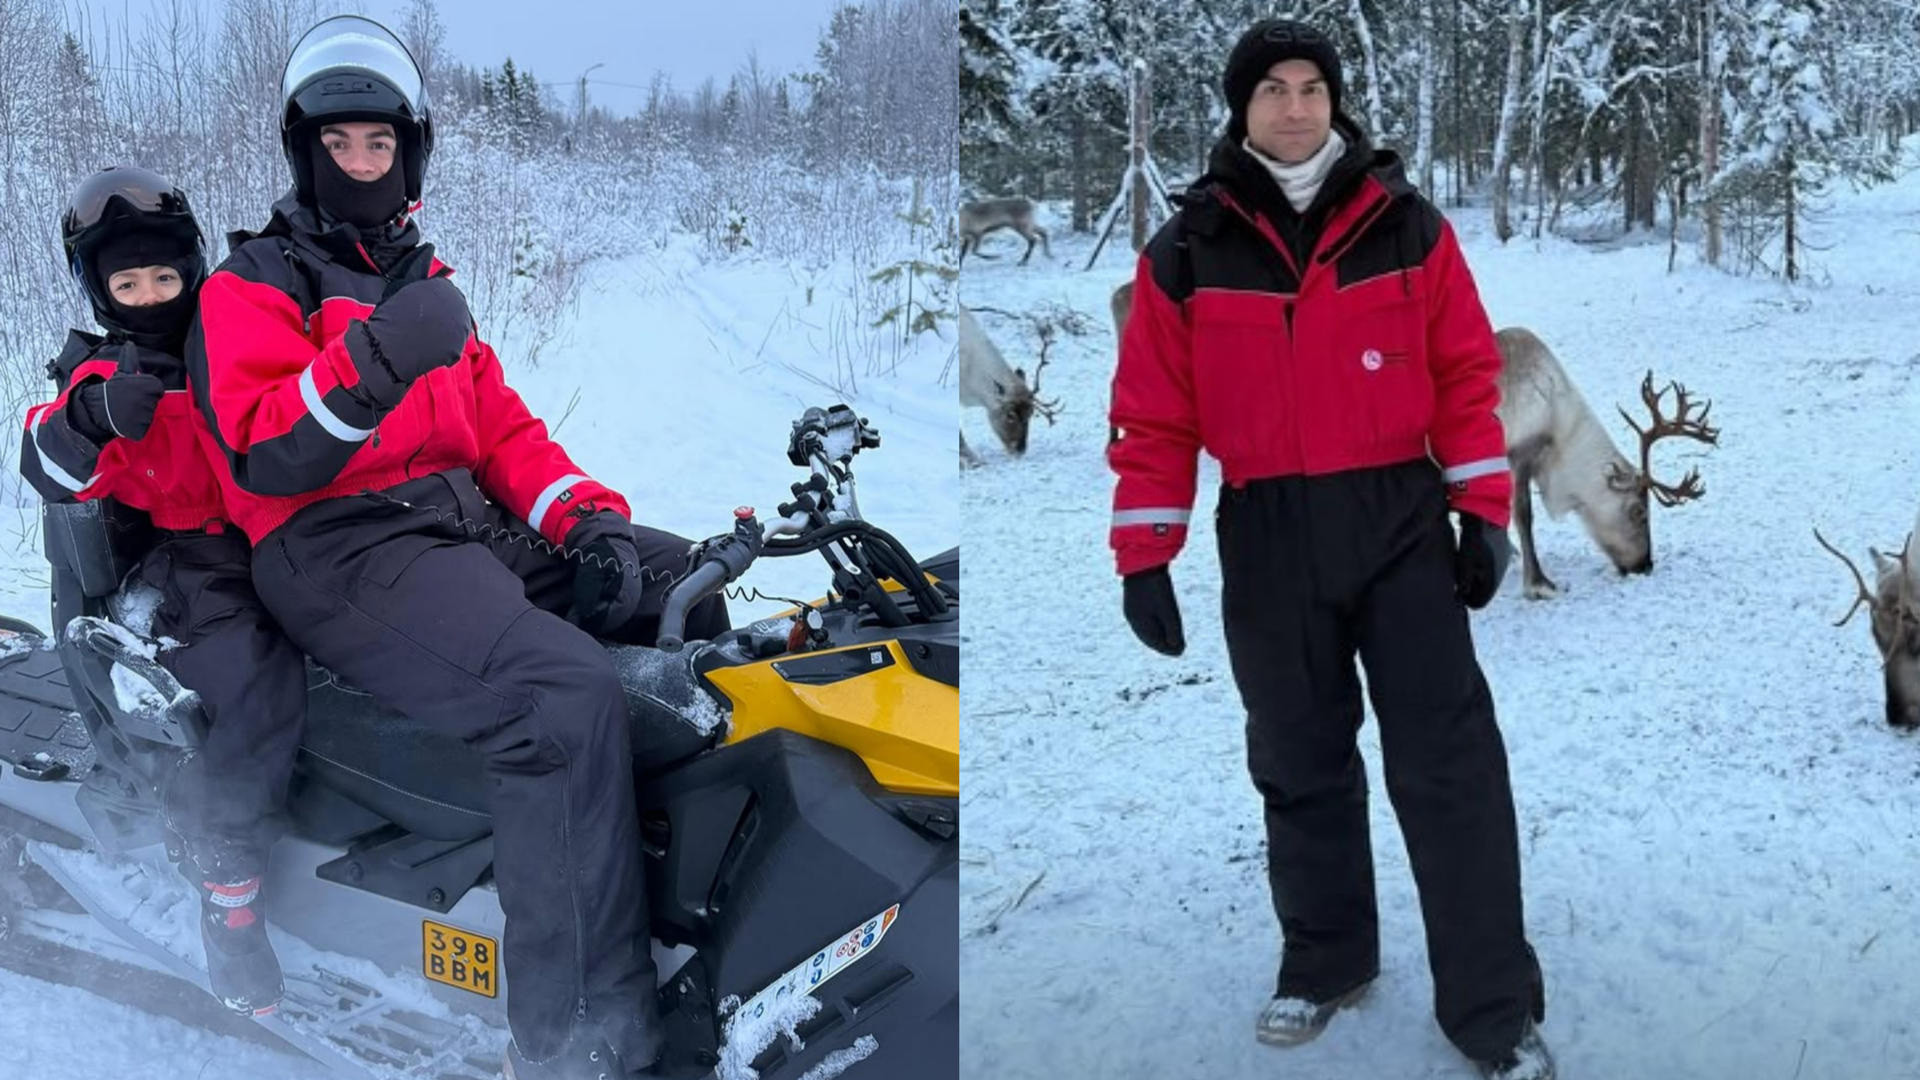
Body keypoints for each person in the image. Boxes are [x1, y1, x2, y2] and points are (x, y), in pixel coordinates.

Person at [185, 16, 729, 1080]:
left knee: (685, 588)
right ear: (305, 153)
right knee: (556, 697)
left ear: (408, 154)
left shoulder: (422, 282)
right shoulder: (247, 285)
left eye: (377, 146)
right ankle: (577, 1037)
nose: (358, 165)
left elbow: (507, 435)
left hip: (450, 524)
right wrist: (379, 359)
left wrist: (590, 520)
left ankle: (669, 898)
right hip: (331, 543)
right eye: (337, 146)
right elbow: (265, 454)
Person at [1105, 18, 1554, 1080]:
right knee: (1298, 761)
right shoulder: (1186, 250)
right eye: (1274, 89)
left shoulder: (1408, 229)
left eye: (1314, 87)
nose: (1297, 106)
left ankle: (1492, 1008)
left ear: (1337, 103)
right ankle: (1328, 960)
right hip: (1266, 534)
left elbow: (1461, 376)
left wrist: (1483, 512)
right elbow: (1154, 416)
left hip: (1399, 524)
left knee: (1449, 767)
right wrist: (1145, 552)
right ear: (1242, 108)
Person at [20, 166, 305, 1019]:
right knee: (256, 676)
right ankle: (227, 882)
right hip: (183, 559)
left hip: (281, 535)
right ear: (100, 291)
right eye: (127, 283)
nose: (149, 297)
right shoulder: (99, 372)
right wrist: (94, 415)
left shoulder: (227, 342)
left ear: (194, 270)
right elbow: (43, 460)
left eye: (166, 278)